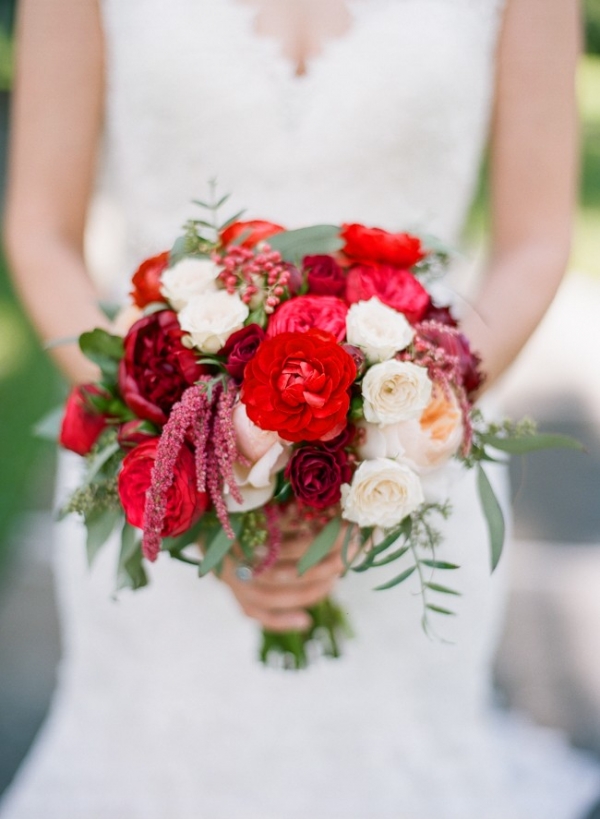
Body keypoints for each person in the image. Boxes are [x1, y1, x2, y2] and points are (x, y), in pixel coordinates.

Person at [1, 0, 599, 817]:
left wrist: (393, 433)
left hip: (408, 481)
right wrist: (188, 447)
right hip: (160, 477)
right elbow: (41, 232)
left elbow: (535, 239)